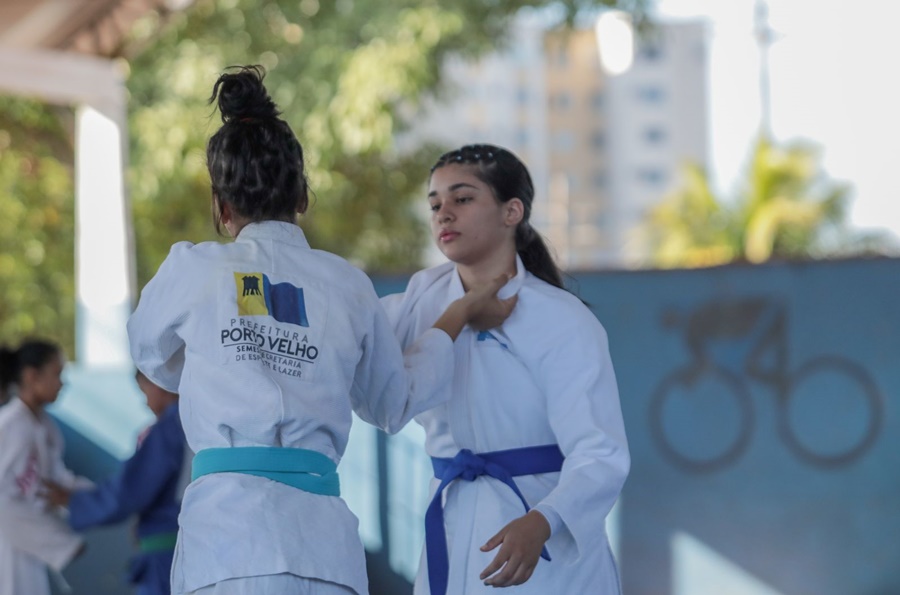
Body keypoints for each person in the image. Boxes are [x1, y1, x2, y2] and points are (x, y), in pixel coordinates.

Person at [126, 66, 515, 595]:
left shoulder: (193, 269)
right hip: (324, 556)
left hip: (226, 550)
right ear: (303, 197)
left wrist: (218, 360)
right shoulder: (347, 286)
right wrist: (457, 314)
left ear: (220, 206)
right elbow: (392, 404)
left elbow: (152, 357)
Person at [380, 144, 631, 594]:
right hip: (454, 528)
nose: (443, 214)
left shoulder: (562, 318)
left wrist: (543, 521)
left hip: (544, 542)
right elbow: (347, 347)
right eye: (435, 203)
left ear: (511, 211)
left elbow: (600, 454)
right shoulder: (415, 306)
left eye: (463, 198)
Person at [45, 370, 189, 595]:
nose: (147, 402)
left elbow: (130, 490)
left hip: (167, 558)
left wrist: (74, 501)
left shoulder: (170, 427)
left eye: (145, 392)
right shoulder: (197, 422)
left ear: (158, 383)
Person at [0, 339, 92, 595]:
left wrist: (108, 495)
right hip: (10, 548)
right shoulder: (10, 426)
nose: (62, 383)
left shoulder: (43, 426)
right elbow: (3, 502)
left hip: (29, 550)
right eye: (57, 374)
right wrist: (60, 543)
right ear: (31, 376)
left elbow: (56, 481)